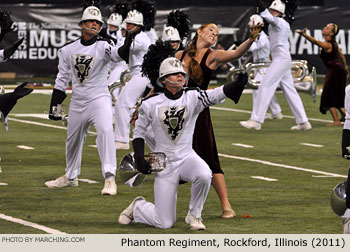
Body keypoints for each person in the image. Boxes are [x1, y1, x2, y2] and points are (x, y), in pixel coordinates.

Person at [118, 57, 248, 230]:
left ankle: (194, 215)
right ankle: (139, 207)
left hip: (187, 157)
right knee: (164, 223)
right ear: (164, 80)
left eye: (181, 73)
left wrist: (237, 83)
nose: (180, 76)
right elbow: (139, 132)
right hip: (164, 164)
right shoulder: (150, 103)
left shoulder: (193, 96)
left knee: (204, 174)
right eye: (174, 74)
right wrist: (140, 157)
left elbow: (216, 94)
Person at [175, 23, 260, 219]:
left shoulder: (212, 56)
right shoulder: (180, 55)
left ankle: (227, 206)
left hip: (199, 111)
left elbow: (236, 54)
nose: (214, 34)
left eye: (217, 33)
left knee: (209, 156)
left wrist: (251, 38)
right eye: (211, 30)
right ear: (199, 31)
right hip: (178, 110)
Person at [44, 4, 122, 195]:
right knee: (72, 140)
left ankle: (110, 178)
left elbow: (118, 57)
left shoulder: (105, 46)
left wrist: (122, 43)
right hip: (78, 100)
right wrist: (55, 105)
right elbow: (62, 78)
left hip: (99, 98)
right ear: (82, 24)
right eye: (91, 21)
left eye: (97, 22)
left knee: (105, 131)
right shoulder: (68, 50)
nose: (94, 25)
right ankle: (70, 177)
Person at [240, 0, 311, 131]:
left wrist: (259, 3)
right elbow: (266, 17)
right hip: (282, 59)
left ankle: (256, 120)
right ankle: (303, 122)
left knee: (265, 86)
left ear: (279, 12)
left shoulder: (280, 22)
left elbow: (267, 16)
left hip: (281, 59)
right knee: (290, 91)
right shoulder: (278, 23)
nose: (271, 12)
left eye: (273, 10)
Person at [114, 8, 153, 150]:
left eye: (131, 24)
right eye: (127, 23)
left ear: (138, 25)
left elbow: (127, 49)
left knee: (122, 104)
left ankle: (122, 140)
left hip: (141, 74)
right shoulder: (136, 36)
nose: (127, 26)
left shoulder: (141, 39)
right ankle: (144, 132)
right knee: (132, 108)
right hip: (137, 73)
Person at [296, 23, 348, 126]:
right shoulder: (333, 43)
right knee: (336, 95)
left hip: (334, 70)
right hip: (338, 70)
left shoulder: (328, 44)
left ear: (332, 33)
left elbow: (315, 42)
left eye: (328, 28)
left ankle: (336, 121)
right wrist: (345, 68)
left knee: (328, 94)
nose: (325, 28)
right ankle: (345, 116)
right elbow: (341, 56)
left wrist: (305, 35)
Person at [248, 14, 282, 120]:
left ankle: (256, 116)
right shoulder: (257, 35)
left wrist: (242, 44)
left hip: (265, 66)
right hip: (258, 66)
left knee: (256, 88)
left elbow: (252, 48)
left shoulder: (262, 38)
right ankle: (276, 112)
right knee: (266, 89)